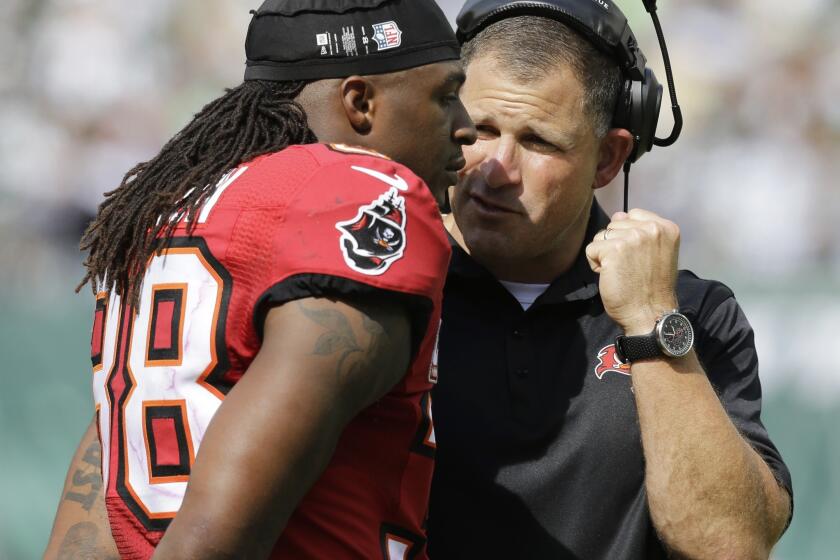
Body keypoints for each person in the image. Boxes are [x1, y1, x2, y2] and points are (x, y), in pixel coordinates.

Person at [44, 1, 475, 558]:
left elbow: (94, 513)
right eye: (444, 96)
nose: (465, 126)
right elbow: (212, 537)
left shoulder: (174, 204)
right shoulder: (364, 194)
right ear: (360, 102)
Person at [427, 2, 793, 559]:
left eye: (538, 142)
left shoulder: (693, 313)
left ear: (609, 159)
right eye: (480, 129)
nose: (496, 168)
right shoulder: (390, 280)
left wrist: (650, 322)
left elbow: (729, 546)